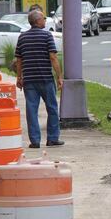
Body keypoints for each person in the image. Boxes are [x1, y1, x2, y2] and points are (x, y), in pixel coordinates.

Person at [14, 10, 64, 148]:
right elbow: (53, 58)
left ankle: (35, 141)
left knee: (31, 111)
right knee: (52, 108)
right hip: (46, 79)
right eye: (44, 18)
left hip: (29, 80)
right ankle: (52, 138)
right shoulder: (47, 36)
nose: (45, 20)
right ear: (37, 21)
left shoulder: (22, 38)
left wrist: (19, 77)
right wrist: (59, 76)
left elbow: (19, 60)